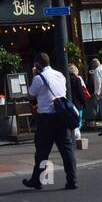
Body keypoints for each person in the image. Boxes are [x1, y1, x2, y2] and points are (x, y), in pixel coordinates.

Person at [22, 53, 77, 191]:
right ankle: (72, 180)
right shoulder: (60, 75)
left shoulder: (39, 78)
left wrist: (35, 75)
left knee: (42, 151)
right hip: (61, 117)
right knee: (66, 150)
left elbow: (30, 95)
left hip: (46, 118)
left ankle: (37, 180)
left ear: (38, 65)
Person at [67, 64, 90, 141]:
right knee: (78, 119)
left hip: (69, 103)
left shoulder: (65, 80)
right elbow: (81, 93)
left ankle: (72, 134)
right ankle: (76, 134)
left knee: (71, 119)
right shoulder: (77, 80)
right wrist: (85, 103)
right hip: (78, 104)